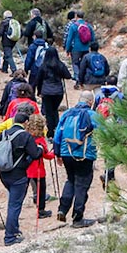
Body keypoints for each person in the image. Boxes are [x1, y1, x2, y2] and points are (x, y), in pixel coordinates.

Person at [0, 108, 45, 246]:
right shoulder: (25, 136)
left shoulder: (4, 133)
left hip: (4, 173)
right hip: (18, 175)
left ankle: (14, 230)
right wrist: (40, 148)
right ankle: (10, 236)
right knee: (14, 205)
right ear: (26, 122)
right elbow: (35, 154)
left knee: (13, 202)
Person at [54, 95, 99, 227]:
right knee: (82, 184)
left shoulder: (67, 114)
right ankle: (77, 218)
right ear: (90, 102)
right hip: (85, 154)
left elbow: (57, 135)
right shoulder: (92, 115)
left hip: (66, 152)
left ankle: (62, 209)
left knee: (71, 180)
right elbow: (104, 131)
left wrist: (57, 153)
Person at [32, 45, 74, 134]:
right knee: (55, 110)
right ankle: (57, 129)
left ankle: (51, 132)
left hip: (46, 92)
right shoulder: (60, 65)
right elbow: (68, 76)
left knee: (49, 112)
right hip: (58, 92)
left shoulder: (43, 66)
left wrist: (39, 91)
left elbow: (38, 80)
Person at [25, 113, 56, 219]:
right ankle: (41, 211)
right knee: (41, 191)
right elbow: (46, 155)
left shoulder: (26, 136)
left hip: (25, 168)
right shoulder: (40, 140)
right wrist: (54, 153)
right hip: (37, 169)